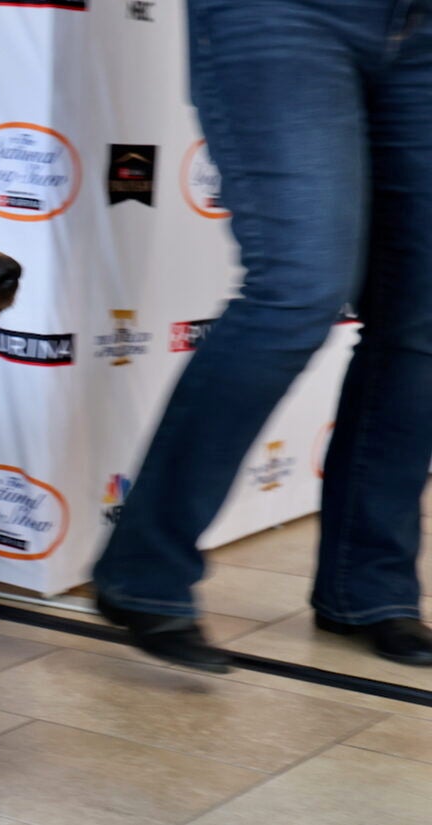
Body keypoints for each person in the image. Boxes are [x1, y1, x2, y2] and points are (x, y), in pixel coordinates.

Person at [92, 0, 432, 671]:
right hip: (284, 13)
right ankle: (144, 570)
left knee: (420, 314)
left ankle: (367, 589)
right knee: (298, 286)